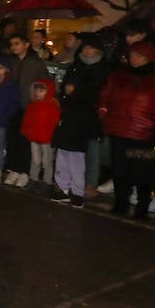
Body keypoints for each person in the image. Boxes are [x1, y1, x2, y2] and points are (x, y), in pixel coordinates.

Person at [98, 41, 155, 219]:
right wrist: (103, 109)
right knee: (119, 169)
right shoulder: (118, 75)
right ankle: (120, 202)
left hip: (144, 132)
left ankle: (142, 204)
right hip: (118, 127)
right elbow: (106, 94)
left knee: (143, 171)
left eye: (139, 56)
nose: (134, 59)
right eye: (132, 55)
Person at [50, 33, 110, 208]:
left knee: (78, 155)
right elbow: (65, 86)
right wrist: (66, 93)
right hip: (69, 113)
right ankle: (62, 187)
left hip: (86, 116)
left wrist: (73, 92)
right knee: (63, 151)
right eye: (85, 47)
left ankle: (77, 191)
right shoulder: (75, 66)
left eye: (91, 48)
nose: (87, 51)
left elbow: (96, 91)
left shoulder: (102, 69)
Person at [1, 32, 50, 187]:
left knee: (25, 141)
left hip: (29, 107)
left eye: (17, 43)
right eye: (12, 44)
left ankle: (25, 172)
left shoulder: (35, 62)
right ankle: (13, 169)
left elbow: (45, 82)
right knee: (12, 140)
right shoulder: (11, 62)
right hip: (12, 106)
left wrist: (38, 101)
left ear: (26, 45)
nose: (14, 47)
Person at [20, 78, 59, 191]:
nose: (37, 93)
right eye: (36, 90)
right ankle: (33, 179)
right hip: (35, 138)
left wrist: (53, 136)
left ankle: (47, 182)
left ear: (48, 91)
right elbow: (27, 120)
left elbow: (55, 122)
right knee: (35, 160)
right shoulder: (32, 105)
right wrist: (26, 131)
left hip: (47, 139)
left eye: (41, 91)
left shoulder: (52, 105)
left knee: (47, 162)